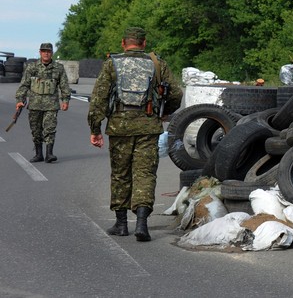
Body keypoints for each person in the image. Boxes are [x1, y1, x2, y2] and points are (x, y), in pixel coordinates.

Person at [87, 27, 182, 241]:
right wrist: (164, 112)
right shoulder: (157, 63)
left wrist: (95, 129)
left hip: (119, 127)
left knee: (120, 174)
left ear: (123, 43)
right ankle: (142, 224)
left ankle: (121, 224)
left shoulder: (112, 63)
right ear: (144, 43)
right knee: (145, 174)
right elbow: (176, 93)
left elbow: (98, 99)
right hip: (148, 126)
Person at [15, 43, 71, 163]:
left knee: (50, 128)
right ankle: (38, 154)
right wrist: (20, 100)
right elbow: (24, 85)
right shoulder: (32, 67)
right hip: (35, 105)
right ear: (40, 52)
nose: (46, 53)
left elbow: (64, 85)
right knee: (36, 130)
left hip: (51, 105)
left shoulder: (58, 68)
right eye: (44, 51)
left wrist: (65, 100)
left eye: (48, 51)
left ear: (52, 53)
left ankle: (49, 154)